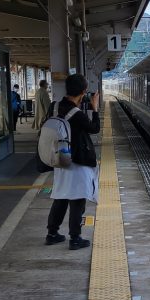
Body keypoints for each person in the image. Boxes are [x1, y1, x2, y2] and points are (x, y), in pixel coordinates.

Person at [46, 73, 100, 250]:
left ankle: (52, 234)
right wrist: (95, 108)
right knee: (77, 198)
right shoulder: (76, 113)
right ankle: (75, 238)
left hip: (60, 158)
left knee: (60, 196)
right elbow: (94, 128)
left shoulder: (54, 107)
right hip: (77, 161)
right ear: (83, 91)